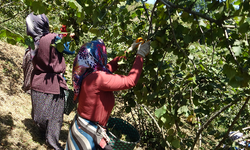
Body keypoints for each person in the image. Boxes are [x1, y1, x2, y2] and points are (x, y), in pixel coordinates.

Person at [65, 39, 151, 150]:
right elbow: (130, 81)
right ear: (98, 56)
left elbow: (111, 66)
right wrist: (140, 55)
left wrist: (129, 51)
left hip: (83, 126)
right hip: (89, 132)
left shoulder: (87, 71)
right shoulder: (98, 78)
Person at [26, 12, 68, 150]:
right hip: (52, 82)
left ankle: (46, 133)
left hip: (38, 80)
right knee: (54, 116)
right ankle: (52, 141)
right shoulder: (53, 38)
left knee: (39, 115)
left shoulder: (32, 41)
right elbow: (69, 50)